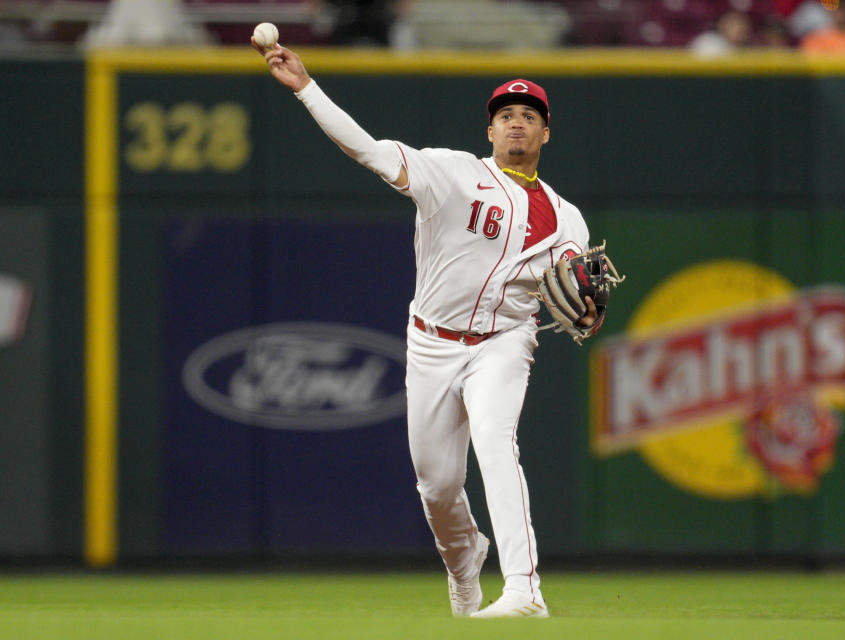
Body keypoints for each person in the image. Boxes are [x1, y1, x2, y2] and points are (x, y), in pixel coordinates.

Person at [253, 39, 602, 618]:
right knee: (437, 486)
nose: (517, 124)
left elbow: (574, 292)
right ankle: (466, 564)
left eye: (529, 117)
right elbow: (367, 150)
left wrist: (584, 308)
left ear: (546, 134)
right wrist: (307, 89)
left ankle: (523, 590)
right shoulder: (452, 174)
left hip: (505, 340)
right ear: (489, 131)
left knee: (496, 439)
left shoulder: (568, 218)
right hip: (432, 342)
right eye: (506, 116)